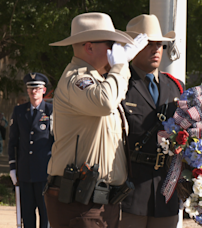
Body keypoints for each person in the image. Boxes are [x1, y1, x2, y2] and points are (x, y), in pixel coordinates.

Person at [45, 12, 148, 228]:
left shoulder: (100, 80)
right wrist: (120, 66)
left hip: (99, 203)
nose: (115, 50)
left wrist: (117, 70)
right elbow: (105, 102)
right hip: (79, 202)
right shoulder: (77, 79)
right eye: (111, 44)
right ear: (89, 47)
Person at [120, 14, 184, 228]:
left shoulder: (175, 87)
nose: (156, 49)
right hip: (130, 191)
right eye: (148, 44)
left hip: (165, 191)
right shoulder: (120, 84)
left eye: (160, 45)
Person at [8, 72, 53, 228]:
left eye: (37, 88)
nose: (34, 92)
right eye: (31, 88)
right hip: (25, 172)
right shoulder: (19, 111)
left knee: (45, 214)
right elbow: (13, 141)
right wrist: (13, 167)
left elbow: (57, 141)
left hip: (45, 172)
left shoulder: (51, 111)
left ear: (44, 90)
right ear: (27, 91)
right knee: (27, 214)